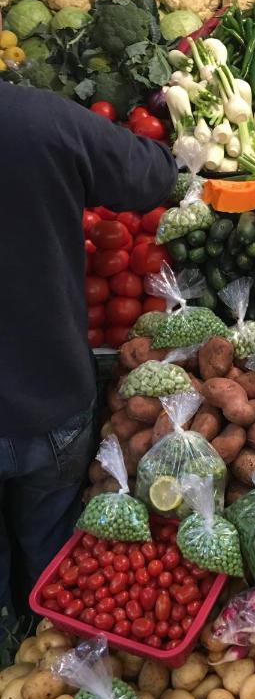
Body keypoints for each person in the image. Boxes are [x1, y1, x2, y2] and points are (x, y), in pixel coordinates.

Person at [0, 81, 176, 627]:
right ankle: (40, 645)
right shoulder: (31, 116)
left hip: (48, 398)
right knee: (53, 560)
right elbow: (153, 173)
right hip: (50, 396)